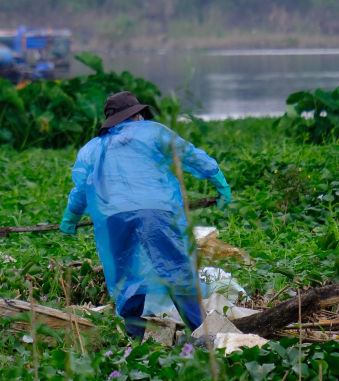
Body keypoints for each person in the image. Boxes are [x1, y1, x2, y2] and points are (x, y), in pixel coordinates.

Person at [59, 91, 232, 340]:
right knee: (176, 269)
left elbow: (81, 190)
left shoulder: (93, 148)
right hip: (156, 211)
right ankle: (202, 334)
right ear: (137, 115)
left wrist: (70, 219)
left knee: (126, 276)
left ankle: (134, 343)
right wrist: (218, 180)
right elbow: (189, 155)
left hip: (113, 219)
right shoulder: (153, 131)